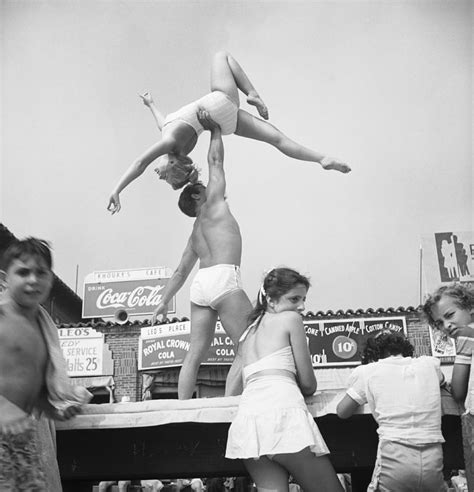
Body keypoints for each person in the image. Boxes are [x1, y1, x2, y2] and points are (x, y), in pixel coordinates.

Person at [107, 51, 350, 213]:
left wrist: (151, 105)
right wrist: (117, 189)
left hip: (221, 123)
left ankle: (321, 159)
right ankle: (252, 93)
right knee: (221, 55)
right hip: (216, 104)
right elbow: (139, 163)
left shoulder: (171, 138)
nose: (157, 168)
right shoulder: (170, 141)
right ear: (172, 161)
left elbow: (161, 123)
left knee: (276, 139)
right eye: (162, 170)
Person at [150, 111, 252, 399]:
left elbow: (181, 271)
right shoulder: (214, 204)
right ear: (196, 197)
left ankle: (183, 410)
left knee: (195, 352)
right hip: (222, 277)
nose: (210, 185)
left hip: (200, 284)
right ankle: (230, 404)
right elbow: (216, 162)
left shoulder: (195, 233)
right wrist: (215, 131)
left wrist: (163, 302)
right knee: (249, 344)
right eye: (203, 187)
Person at [226, 267, 343, 492]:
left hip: (249, 424)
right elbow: (309, 384)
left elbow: (236, 384)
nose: (301, 306)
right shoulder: (291, 319)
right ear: (270, 299)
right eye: (294, 299)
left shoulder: (247, 334)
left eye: (303, 299)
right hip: (283, 417)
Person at [0, 238, 91, 491]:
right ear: (5, 278)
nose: (33, 280)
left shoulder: (39, 322)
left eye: (41, 273)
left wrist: (55, 407)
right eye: (23, 272)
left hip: (26, 439)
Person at [336, 330, 447, 492]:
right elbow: (442, 381)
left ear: (372, 355)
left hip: (394, 455)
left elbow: (342, 411)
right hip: (433, 455)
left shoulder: (369, 371)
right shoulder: (429, 364)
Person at [422, 283, 474, 492]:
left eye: (450, 315)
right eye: (440, 323)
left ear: (469, 306)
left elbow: (458, 392)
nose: (447, 325)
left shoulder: (467, 337)